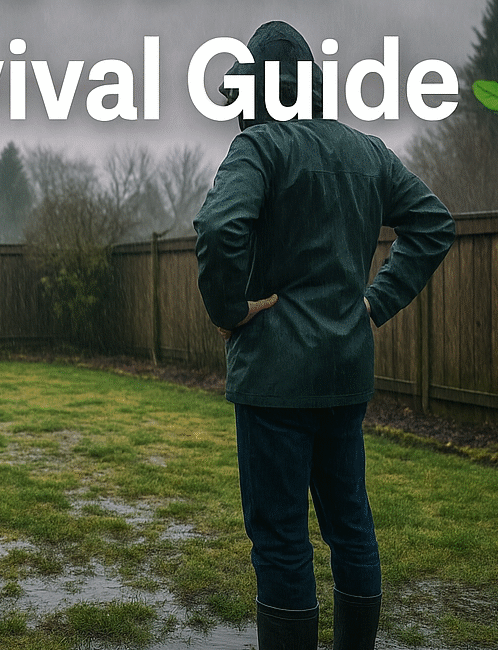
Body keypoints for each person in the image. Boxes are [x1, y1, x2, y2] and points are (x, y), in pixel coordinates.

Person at [192, 21, 456, 650]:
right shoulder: (366, 152)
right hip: (345, 375)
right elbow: (433, 224)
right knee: (350, 526)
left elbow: (219, 229)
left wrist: (229, 311)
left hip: (275, 383)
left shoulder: (259, 148)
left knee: (281, 537)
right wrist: (373, 305)